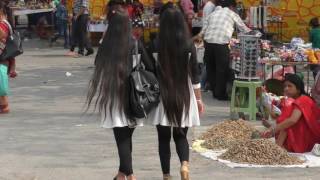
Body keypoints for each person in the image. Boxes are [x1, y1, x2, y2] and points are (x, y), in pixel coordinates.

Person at [86, 6, 153, 180]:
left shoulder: (106, 45)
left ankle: (129, 175)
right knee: (126, 136)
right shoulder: (135, 43)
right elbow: (150, 66)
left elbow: (97, 63)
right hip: (134, 95)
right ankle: (123, 173)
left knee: (121, 138)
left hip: (113, 94)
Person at [148, 4, 204, 180]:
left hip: (162, 96)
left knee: (163, 139)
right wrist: (199, 100)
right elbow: (195, 75)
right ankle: (184, 166)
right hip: (184, 95)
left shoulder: (155, 44)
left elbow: (150, 72)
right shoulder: (189, 44)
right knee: (181, 136)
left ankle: (166, 176)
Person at [195, 0, 250, 100]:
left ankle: (215, 92)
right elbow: (243, 28)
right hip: (221, 44)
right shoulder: (232, 14)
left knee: (211, 68)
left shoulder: (213, 14)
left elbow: (203, 30)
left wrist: (199, 38)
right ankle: (220, 95)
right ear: (231, 7)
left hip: (208, 44)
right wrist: (254, 33)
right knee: (222, 70)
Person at [262, 74, 320, 153]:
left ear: (298, 89)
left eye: (290, 86)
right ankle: (279, 145)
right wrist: (271, 127)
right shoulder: (296, 100)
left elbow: (292, 120)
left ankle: (278, 146)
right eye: (285, 86)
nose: (286, 89)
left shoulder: (303, 99)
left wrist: (272, 129)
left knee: (288, 114)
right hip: (305, 136)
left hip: (310, 139)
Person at [0, 1, 17, 114]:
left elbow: (3, 35)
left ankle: (4, 106)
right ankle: (3, 106)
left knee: (1, 82)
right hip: (5, 57)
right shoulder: (5, 22)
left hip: (2, 57)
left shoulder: (3, 24)